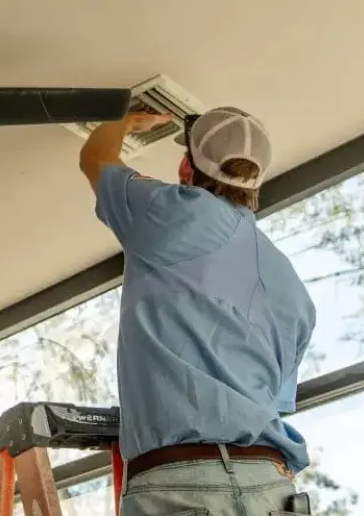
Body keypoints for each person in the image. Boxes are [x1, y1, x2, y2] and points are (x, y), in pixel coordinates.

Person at [79, 107, 318, 516]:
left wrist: (120, 118)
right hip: (271, 487)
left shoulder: (174, 213)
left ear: (185, 166)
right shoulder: (294, 292)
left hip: (180, 485)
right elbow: (272, 400)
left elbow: (95, 159)